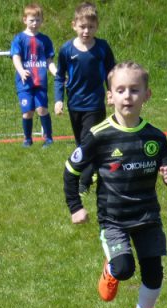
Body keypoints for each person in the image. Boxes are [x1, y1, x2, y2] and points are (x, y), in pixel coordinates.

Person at [64, 62, 167, 308]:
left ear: (147, 95)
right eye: (120, 90)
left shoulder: (155, 136)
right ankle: (111, 269)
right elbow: (70, 171)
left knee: (154, 272)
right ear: (110, 97)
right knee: (125, 269)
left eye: (134, 90)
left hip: (147, 216)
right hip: (113, 218)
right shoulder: (98, 136)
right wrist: (76, 207)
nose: (127, 96)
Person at [54, 2, 116, 192]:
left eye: (91, 27)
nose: (86, 31)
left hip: (95, 104)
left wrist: (112, 92)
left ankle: (84, 182)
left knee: (88, 142)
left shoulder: (102, 48)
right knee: (82, 143)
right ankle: (96, 167)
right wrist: (58, 100)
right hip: (75, 105)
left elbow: (112, 72)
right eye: (82, 27)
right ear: (74, 25)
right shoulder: (66, 50)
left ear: (97, 26)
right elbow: (59, 77)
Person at [11, 3, 59, 147]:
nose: (35, 23)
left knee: (42, 109)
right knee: (28, 112)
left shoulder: (45, 40)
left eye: (38, 20)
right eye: (32, 20)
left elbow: (49, 61)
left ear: (42, 21)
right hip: (24, 83)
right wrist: (21, 70)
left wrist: (57, 73)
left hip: (40, 82)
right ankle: (27, 138)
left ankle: (49, 138)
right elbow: (15, 56)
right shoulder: (19, 39)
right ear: (25, 20)